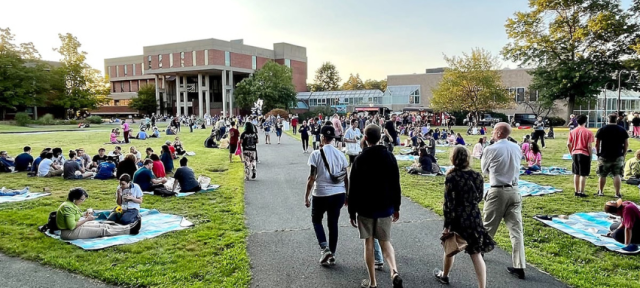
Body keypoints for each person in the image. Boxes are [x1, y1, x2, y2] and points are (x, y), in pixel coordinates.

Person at [348, 124, 403, 288]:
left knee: (369, 243)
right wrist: (397, 206)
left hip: (365, 208)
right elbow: (396, 184)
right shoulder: (389, 157)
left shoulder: (359, 159)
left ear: (365, 138)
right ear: (380, 137)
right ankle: (394, 271)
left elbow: (354, 188)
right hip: (385, 206)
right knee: (385, 242)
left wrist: (351, 212)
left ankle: (372, 282)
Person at [433, 146, 495, 287]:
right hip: (473, 217)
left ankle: (445, 275)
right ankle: (482, 286)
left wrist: (447, 225)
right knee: (476, 254)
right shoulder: (477, 176)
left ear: (453, 158)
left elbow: (448, 203)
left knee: (450, 248)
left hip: (457, 218)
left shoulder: (451, 177)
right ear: (468, 158)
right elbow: (479, 197)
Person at [481, 122, 526, 279]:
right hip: (514, 190)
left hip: (498, 190)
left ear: (499, 133)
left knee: (488, 225)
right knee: (516, 230)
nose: (492, 133)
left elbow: (484, 170)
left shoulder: (490, 149)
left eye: (494, 131)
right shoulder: (517, 147)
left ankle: (480, 253)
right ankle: (519, 265)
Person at [304, 125, 348, 266]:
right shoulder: (341, 154)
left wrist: (306, 196)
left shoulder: (316, 154)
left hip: (321, 193)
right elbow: (346, 177)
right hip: (338, 193)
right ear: (333, 139)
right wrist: (347, 194)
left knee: (317, 220)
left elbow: (312, 178)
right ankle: (332, 254)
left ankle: (324, 248)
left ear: (322, 137)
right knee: (333, 223)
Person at [56, 188, 140, 240]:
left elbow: (76, 215)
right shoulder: (67, 207)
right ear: (75, 199)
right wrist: (86, 219)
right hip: (69, 232)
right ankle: (130, 230)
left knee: (102, 225)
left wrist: (85, 214)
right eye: (82, 199)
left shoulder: (70, 204)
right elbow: (72, 226)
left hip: (72, 229)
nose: (82, 201)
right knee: (102, 230)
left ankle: (128, 227)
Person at [595, 114, 629, 198]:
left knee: (602, 174)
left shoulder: (602, 129)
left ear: (608, 119)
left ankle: (600, 191)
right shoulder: (622, 130)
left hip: (605, 155)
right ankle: (617, 193)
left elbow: (597, 143)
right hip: (618, 155)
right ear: (616, 120)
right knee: (617, 174)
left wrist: (598, 153)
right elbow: (626, 144)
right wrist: (624, 153)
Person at [567, 114, 594, 197]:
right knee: (583, 174)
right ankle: (582, 192)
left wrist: (571, 152)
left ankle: (576, 191)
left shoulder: (572, 131)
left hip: (575, 153)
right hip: (584, 153)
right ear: (585, 121)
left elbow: (568, 144)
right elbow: (589, 146)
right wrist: (590, 155)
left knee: (576, 173)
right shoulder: (588, 132)